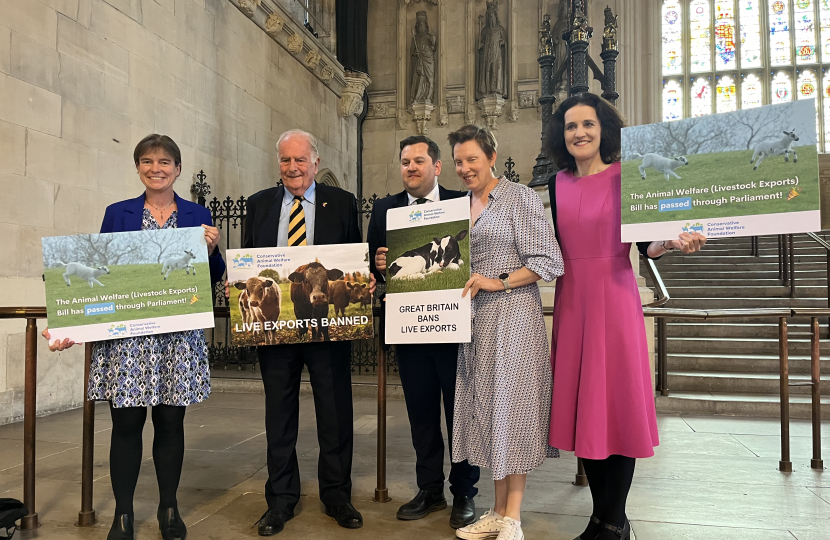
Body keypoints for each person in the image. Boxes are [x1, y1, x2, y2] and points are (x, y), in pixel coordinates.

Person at [43, 134, 226, 540]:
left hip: (178, 336)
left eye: (164, 162)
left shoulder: (198, 212)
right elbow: (103, 270)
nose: (155, 168)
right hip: (128, 338)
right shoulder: (118, 213)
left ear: (177, 169)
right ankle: (122, 514)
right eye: (147, 161)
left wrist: (212, 252)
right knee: (126, 423)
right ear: (138, 168)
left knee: (170, 421)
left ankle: (169, 508)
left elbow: (212, 279)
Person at [545, 93, 706, 540]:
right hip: (574, 301)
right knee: (587, 412)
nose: (578, 132)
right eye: (571, 126)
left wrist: (673, 242)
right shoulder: (557, 185)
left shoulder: (627, 176)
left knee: (615, 409)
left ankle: (614, 521)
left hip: (615, 301)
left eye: (587, 124)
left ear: (604, 130)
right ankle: (603, 518)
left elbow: (647, 243)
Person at [242, 129, 372, 536]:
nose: (293, 168)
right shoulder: (259, 205)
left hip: (326, 330)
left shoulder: (344, 204)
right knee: (279, 413)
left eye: (300, 160)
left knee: (334, 411)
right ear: (277, 163)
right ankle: (280, 500)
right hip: (281, 328)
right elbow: (248, 259)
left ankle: (337, 495)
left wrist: (364, 280)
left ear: (315, 163)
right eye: (285, 160)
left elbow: (354, 259)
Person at [450, 125, 564, 540]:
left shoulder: (520, 197)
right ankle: (497, 511)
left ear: (491, 157)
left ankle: (512, 518)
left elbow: (549, 260)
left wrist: (498, 279)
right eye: (459, 161)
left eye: (472, 160)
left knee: (511, 410)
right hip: (474, 322)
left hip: (513, 317)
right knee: (487, 411)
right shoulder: (457, 206)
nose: (465, 168)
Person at [367, 135, 480, 529]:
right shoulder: (385, 209)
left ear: (437, 167)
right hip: (410, 329)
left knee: (461, 415)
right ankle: (429, 490)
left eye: (418, 161)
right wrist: (379, 263)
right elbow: (372, 267)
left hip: (454, 329)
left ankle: (464, 493)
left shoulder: (461, 203)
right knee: (421, 416)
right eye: (404, 162)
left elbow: (474, 256)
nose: (410, 168)